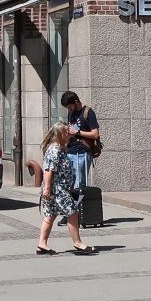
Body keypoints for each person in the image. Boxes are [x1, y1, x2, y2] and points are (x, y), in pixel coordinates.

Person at [37, 122, 96, 255]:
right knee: (73, 212)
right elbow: (48, 171)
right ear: (60, 134)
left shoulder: (59, 149)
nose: (69, 134)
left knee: (50, 215)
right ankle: (77, 243)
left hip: (58, 189)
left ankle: (42, 244)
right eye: (67, 132)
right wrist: (47, 189)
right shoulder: (55, 150)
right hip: (57, 190)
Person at [60, 92, 100, 225]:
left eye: (70, 107)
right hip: (70, 151)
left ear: (76, 102)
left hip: (82, 153)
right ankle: (69, 213)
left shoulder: (88, 112)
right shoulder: (71, 113)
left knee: (79, 185)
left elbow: (95, 134)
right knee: (69, 184)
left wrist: (77, 132)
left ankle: (76, 214)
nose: (69, 110)